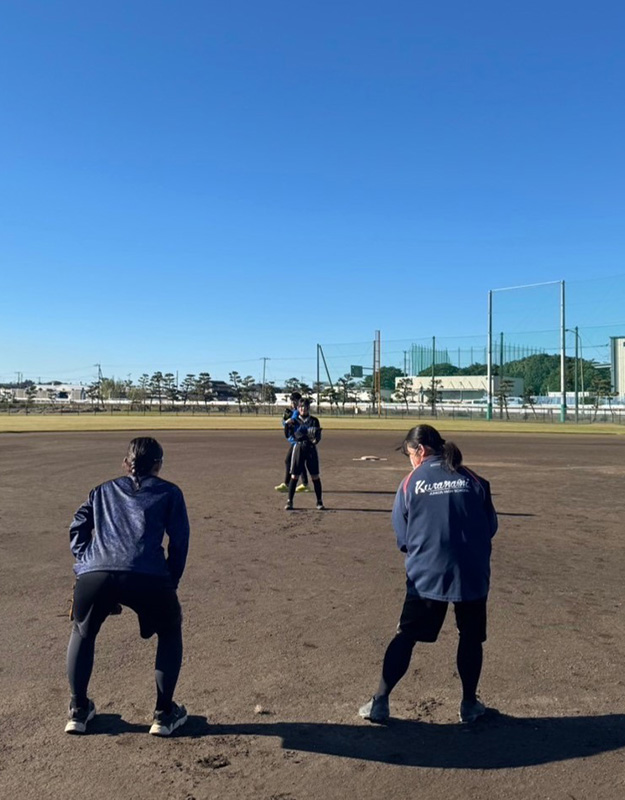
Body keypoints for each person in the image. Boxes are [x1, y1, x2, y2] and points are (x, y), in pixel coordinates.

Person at [359, 424, 497, 724]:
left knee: (406, 635)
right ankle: (469, 704)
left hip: (427, 575)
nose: (410, 459)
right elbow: (491, 528)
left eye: (410, 453)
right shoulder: (473, 479)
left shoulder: (410, 483)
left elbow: (403, 537)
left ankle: (379, 701)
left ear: (420, 451)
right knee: (471, 638)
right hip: (471, 573)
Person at [65, 437, 190, 736]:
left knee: (82, 630)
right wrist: (170, 581)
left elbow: (77, 526)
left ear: (126, 463)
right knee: (170, 630)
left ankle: (78, 710)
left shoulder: (101, 490)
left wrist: (87, 560)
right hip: (148, 575)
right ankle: (163, 714)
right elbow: (180, 542)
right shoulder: (170, 492)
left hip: (96, 575)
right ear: (158, 465)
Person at [283, 398, 325, 511]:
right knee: (294, 476)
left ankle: (319, 501)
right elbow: (288, 435)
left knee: (315, 476)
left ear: (308, 408)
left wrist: (316, 440)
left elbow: (318, 436)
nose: (303, 409)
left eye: (305, 407)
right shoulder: (294, 421)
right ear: (298, 408)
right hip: (298, 448)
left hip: (311, 449)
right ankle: (289, 501)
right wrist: (287, 424)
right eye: (301, 407)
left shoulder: (314, 420)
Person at [275, 391, 310, 494]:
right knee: (300, 462)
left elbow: (292, 423)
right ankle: (305, 484)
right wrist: (284, 420)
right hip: (296, 441)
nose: (291, 403)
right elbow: (287, 424)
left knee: (289, 461)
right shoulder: (295, 411)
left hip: (298, 441)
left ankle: (287, 484)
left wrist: (285, 420)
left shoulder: (297, 412)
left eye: (292, 401)